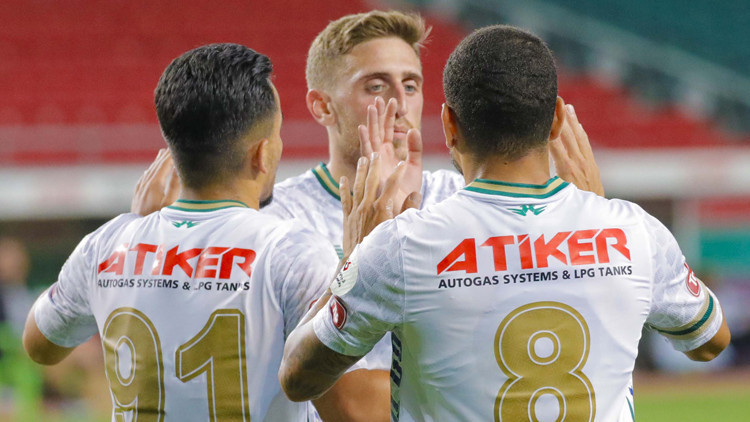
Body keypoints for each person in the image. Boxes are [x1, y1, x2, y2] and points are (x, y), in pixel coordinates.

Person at [279, 25, 731, 421]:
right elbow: (710, 341)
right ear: (556, 121)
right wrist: (594, 213)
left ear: (449, 125)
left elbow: (299, 377)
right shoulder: (635, 232)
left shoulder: (401, 244)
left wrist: (353, 260)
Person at [22, 43, 348, 421]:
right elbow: (354, 412)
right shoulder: (293, 252)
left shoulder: (107, 244)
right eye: (277, 133)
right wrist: (360, 262)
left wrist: (136, 230)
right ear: (262, 153)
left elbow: (40, 345)